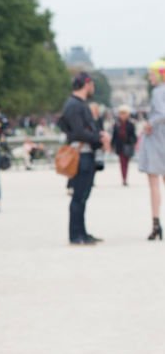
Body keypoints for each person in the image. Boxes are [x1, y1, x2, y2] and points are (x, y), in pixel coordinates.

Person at [59, 72, 109, 244]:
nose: (93, 87)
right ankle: (76, 235)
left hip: (85, 153)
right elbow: (79, 132)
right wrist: (99, 137)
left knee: (82, 196)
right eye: (92, 84)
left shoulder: (76, 104)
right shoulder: (74, 105)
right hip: (81, 154)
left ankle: (82, 232)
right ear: (86, 84)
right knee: (78, 196)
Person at [137, 59, 165, 240]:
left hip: (157, 140)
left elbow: (162, 113)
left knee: (153, 184)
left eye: (151, 74)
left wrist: (149, 123)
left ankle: (156, 223)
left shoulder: (157, 92)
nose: (149, 77)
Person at [111, 105, 137, 186]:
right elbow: (114, 135)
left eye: (124, 113)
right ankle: (124, 178)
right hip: (120, 146)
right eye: (121, 113)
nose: (123, 115)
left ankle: (125, 177)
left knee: (126, 162)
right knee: (122, 162)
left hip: (128, 145)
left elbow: (134, 136)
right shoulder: (116, 124)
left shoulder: (131, 124)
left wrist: (132, 142)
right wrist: (112, 145)